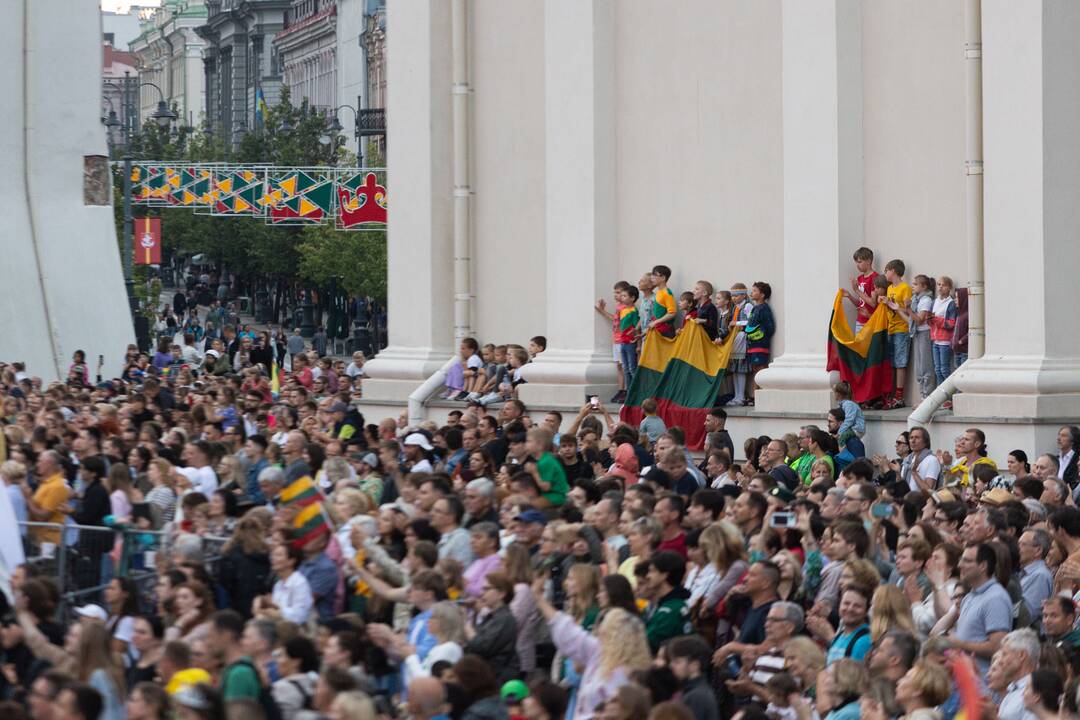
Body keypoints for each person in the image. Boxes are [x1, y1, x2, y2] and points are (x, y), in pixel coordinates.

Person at [533, 576, 650, 720]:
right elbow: (570, 633)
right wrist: (539, 599)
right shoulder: (599, 652)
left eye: (606, 629)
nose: (600, 631)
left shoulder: (631, 676)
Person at [463, 572, 519, 686]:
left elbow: (481, 647)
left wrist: (466, 625)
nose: (482, 593)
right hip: (485, 679)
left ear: (501, 593)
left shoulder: (505, 619)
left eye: (486, 589)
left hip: (494, 682)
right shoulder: (493, 617)